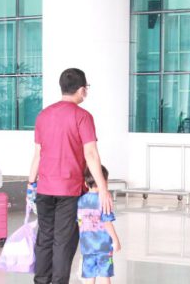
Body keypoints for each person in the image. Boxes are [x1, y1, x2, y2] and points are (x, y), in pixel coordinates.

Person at [28, 68, 112, 284]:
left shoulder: (43, 115)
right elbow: (91, 154)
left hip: (44, 188)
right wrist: (103, 189)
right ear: (82, 89)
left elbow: (38, 154)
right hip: (69, 190)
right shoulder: (82, 116)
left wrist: (30, 184)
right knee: (63, 242)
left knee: (44, 238)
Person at [78, 165, 121, 284]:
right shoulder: (104, 200)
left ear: (86, 184)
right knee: (105, 274)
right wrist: (115, 240)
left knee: (89, 276)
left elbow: (80, 223)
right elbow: (107, 222)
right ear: (104, 182)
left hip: (87, 246)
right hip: (103, 247)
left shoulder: (81, 201)